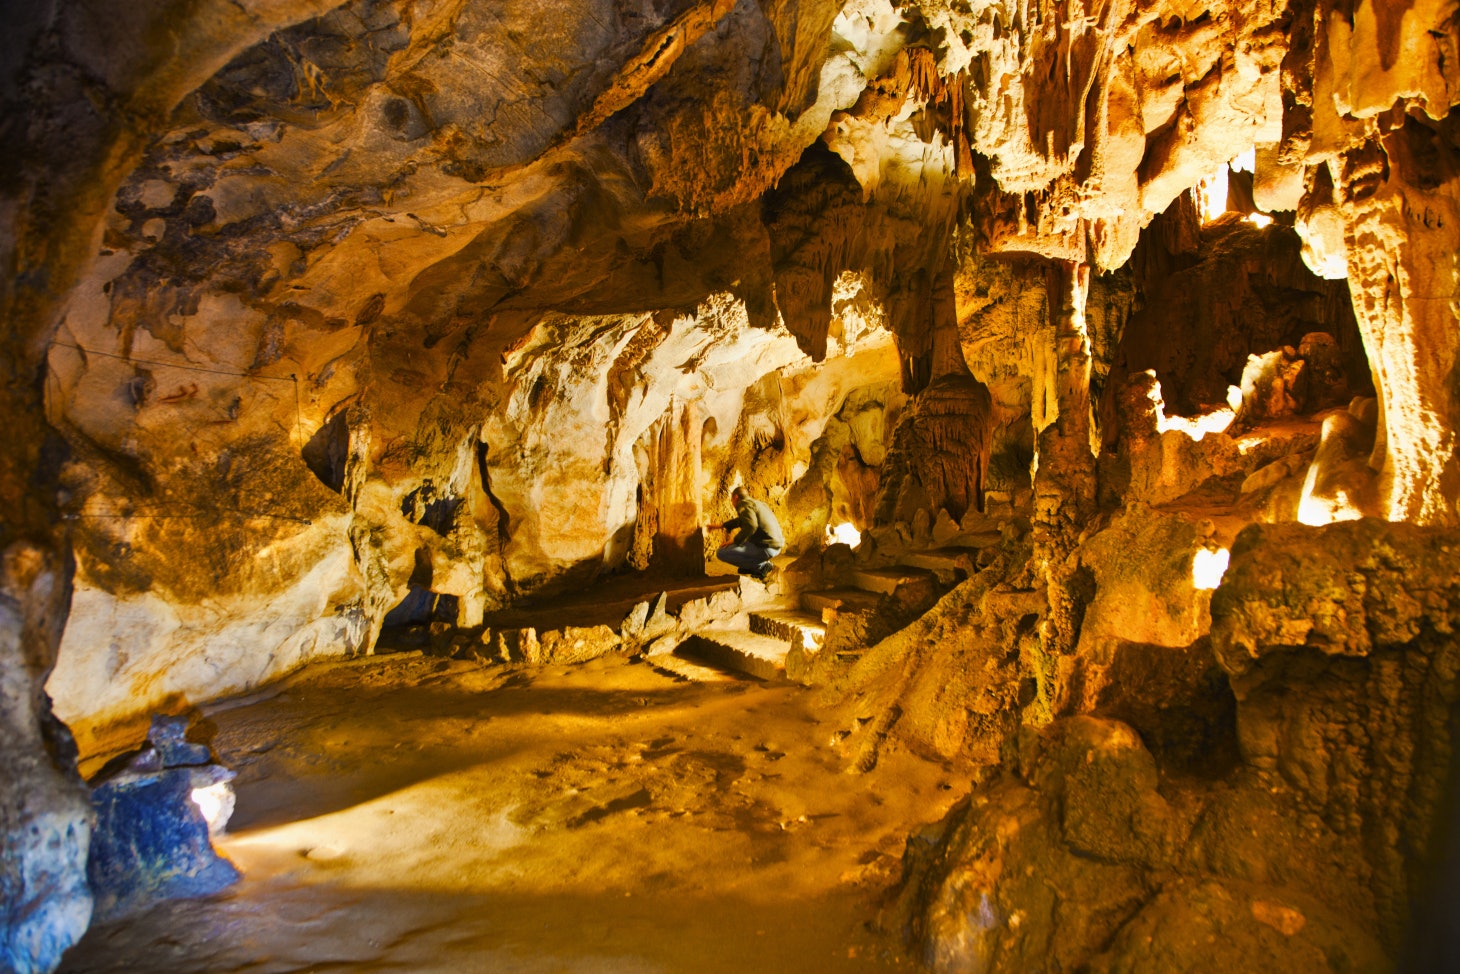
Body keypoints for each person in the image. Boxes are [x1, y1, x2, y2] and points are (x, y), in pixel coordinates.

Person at [708, 486, 783, 582]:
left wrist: (735, 540)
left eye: (731, 500)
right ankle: (752, 566)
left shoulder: (743, 504)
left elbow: (751, 526)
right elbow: (741, 520)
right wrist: (721, 526)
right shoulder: (757, 503)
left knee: (722, 552)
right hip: (775, 546)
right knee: (742, 546)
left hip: (766, 547)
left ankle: (761, 567)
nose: (732, 503)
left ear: (736, 497)